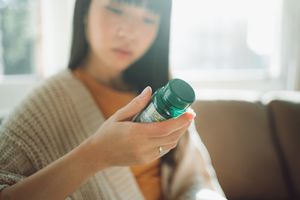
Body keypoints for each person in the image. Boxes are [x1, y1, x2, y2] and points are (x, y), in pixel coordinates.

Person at [0, 0, 226, 199]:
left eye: (148, 19)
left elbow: (198, 180)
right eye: (116, 9)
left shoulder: (163, 94)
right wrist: (96, 155)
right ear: (85, 9)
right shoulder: (48, 101)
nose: (130, 32)